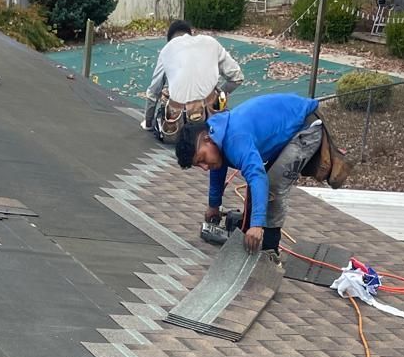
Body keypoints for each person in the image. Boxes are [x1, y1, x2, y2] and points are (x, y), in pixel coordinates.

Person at [174, 90, 349, 253]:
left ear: (207, 139)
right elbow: (218, 169)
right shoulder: (215, 135)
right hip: (286, 124)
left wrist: (257, 224)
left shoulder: (235, 139)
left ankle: (270, 251)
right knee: (258, 187)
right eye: (200, 165)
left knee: (272, 186)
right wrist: (213, 205)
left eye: (202, 159)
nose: (205, 167)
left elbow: (258, 177)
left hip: (306, 127)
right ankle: (251, 233)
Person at [143, 19, 243, 142]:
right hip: (211, 118)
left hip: (179, 124)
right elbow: (237, 77)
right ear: (190, 33)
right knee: (216, 96)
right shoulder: (211, 42)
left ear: (169, 39)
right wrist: (218, 95)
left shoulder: (167, 50)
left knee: (166, 104)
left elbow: (153, 92)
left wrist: (148, 122)